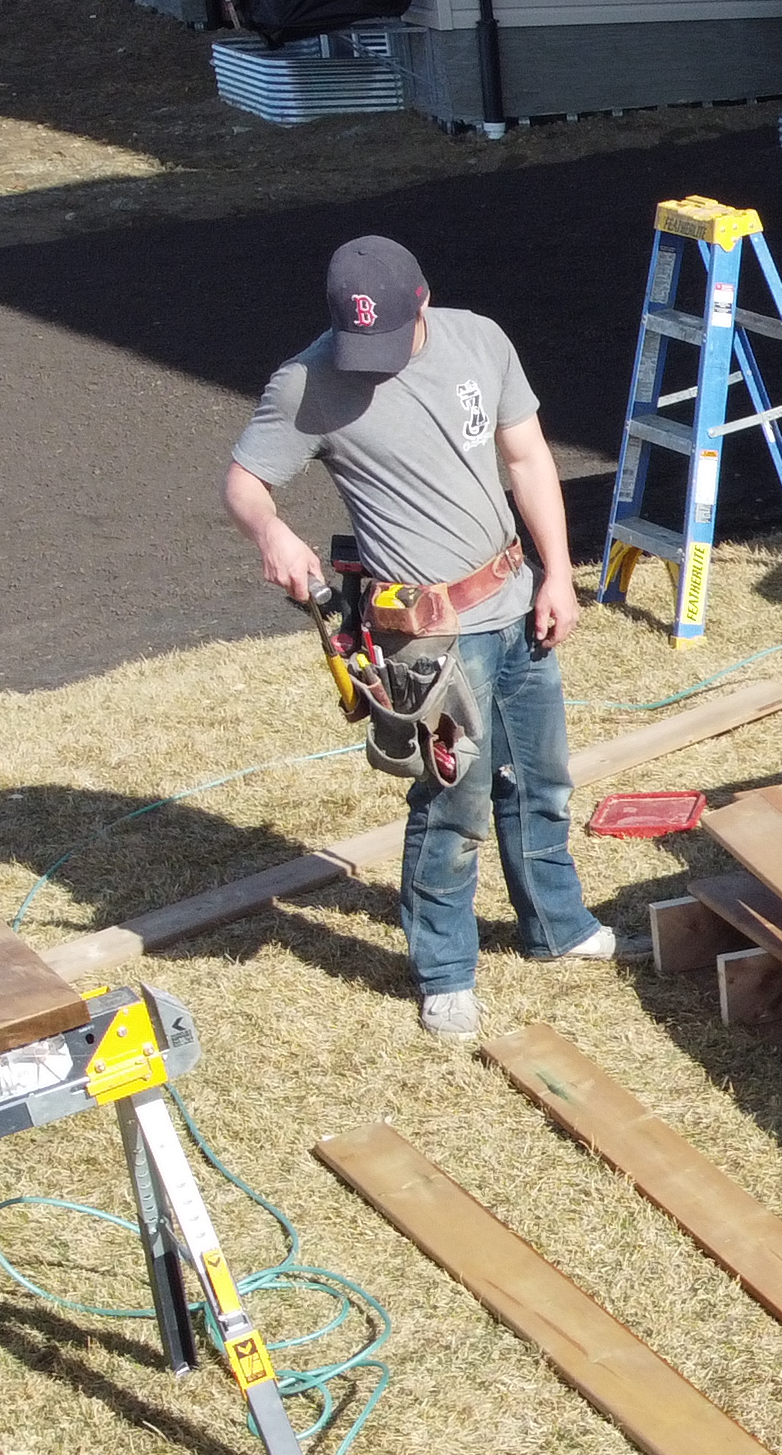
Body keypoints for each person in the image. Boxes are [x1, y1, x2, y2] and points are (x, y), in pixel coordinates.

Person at [222, 236, 610, 1037]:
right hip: (425, 637)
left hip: (512, 597)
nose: (374, 361)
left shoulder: (481, 339)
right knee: (452, 799)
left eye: (390, 340)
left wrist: (558, 574)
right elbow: (246, 481)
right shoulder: (307, 380)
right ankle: (445, 973)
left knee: (541, 780)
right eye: (358, 344)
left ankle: (558, 928)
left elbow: (528, 457)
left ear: (423, 298)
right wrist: (271, 534)